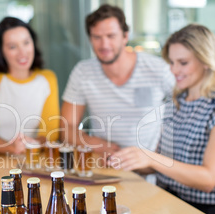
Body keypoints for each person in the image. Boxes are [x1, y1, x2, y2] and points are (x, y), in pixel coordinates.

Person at [108, 24, 215, 214]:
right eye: (171, 62)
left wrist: (151, 158)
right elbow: (163, 163)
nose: (174, 70)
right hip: (167, 203)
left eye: (183, 63)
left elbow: (208, 180)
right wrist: (130, 159)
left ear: (205, 61)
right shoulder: (177, 100)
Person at [61, 4, 175, 161]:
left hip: (151, 171)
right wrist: (96, 143)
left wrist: (163, 149)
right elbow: (66, 128)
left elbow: (188, 112)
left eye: (111, 36)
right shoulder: (83, 72)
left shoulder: (158, 69)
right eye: (97, 37)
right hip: (107, 167)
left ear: (125, 36)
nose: (104, 45)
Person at [0, 17, 60, 155]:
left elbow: (51, 133)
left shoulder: (47, 78)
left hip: (36, 161)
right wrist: (12, 148)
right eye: (12, 47)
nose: (22, 52)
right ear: (1, 50)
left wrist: (34, 144)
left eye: (26, 43)